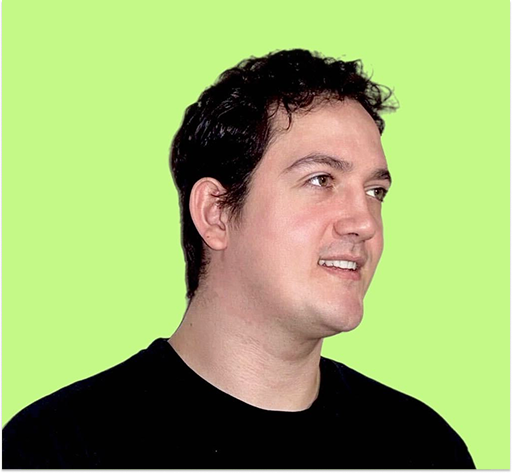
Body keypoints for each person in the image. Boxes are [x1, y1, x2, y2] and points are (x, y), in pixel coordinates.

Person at [2, 49, 475, 469]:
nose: (364, 223)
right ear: (216, 213)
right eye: (321, 180)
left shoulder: (424, 449)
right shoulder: (56, 450)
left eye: (375, 192)